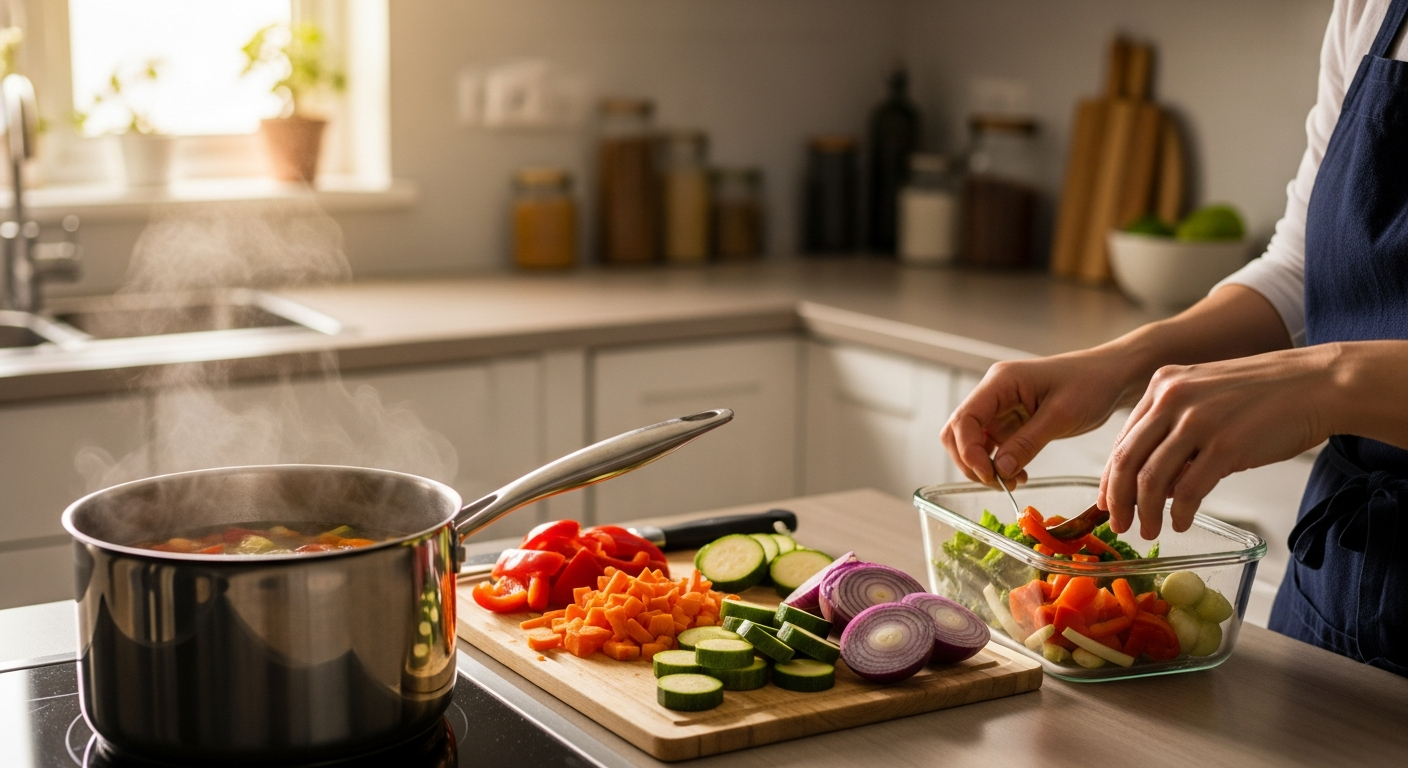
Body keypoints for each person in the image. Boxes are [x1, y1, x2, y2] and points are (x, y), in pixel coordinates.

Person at [941, 0, 1408, 676]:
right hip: (1341, 582)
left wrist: (1331, 382)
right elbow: (1306, 266)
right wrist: (1120, 362)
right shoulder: (1369, 8)